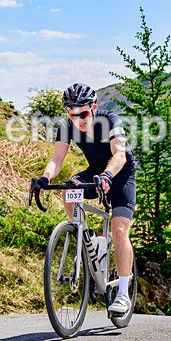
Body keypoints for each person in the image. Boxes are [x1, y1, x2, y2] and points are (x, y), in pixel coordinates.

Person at [36, 83, 137, 315]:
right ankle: (87, 238)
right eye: (72, 114)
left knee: (119, 231)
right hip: (94, 173)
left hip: (120, 176)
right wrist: (44, 178)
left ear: (93, 108)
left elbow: (119, 155)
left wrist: (108, 175)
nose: (78, 119)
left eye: (82, 113)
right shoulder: (66, 126)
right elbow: (57, 159)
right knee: (69, 191)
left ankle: (122, 293)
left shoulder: (109, 120)